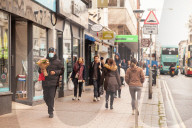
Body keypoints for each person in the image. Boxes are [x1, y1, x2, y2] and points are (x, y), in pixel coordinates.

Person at [39, 47, 64, 118]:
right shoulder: (44, 61)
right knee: (45, 97)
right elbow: (39, 69)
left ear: (54, 53)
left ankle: (50, 112)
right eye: (50, 51)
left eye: (52, 52)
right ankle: (50, 106)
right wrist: (41, 70)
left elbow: (62, 71)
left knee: (51, 96)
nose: (51, 53)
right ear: (48, 52)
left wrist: (55, 72)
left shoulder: (58, 62)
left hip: (53, 82)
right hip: (45, 81)